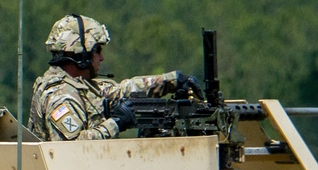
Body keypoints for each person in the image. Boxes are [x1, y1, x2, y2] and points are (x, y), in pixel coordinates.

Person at [29, 14, 203, 141]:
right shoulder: (60, 95)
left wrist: (172, 80)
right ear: (81, 54)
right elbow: (75, 148)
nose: (101, 58)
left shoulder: (80, 86)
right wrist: (117, 123)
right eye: (97, 51)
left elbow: (122, 91)